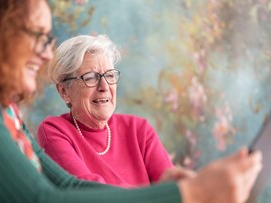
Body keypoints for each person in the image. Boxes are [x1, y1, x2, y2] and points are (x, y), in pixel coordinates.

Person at [0, 0, 262, 203]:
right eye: (37, 36)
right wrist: (191, 196)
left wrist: (188, 196)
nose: (46, 53)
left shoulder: (3, 108)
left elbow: (67, 185)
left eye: (47, 40)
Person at [37, 34, 176, 187]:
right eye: (90, 77)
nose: (104, 87)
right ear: (64, 91)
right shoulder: (55, 131)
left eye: (109, 75)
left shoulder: (139, 130)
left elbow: (172, 188)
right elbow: (90, 194)